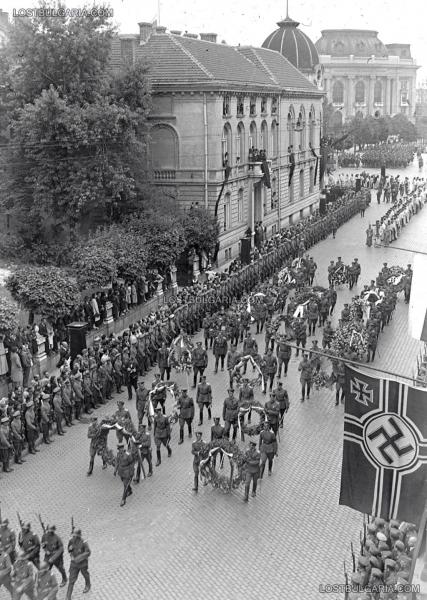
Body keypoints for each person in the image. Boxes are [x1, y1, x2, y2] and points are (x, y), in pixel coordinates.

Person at [65, 529, 91, 598]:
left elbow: (88, 552)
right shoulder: (71, 541)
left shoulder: (84, 542)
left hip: (83, 564)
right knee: (71, 580)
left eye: (75, 535)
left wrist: (78, 558)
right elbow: (69, 549)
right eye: (73, 535)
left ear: (79, 535)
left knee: (85, 574)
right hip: (74, 564)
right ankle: (68, 596)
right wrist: (70, 549)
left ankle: (88, 584)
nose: (74, 537)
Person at [114, 442, 135, 507]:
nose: (120, 450)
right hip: (121, 471)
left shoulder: (128, 454)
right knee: (124, 483)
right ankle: (130, 490)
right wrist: (115, 470)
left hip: (127, 471)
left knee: (125, 485)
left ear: (123, 448)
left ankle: (123, 499)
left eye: (120, 448)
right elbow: (117, 462)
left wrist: (131, 472)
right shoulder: (118, 454)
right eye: (119, 449)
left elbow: (132, 463)